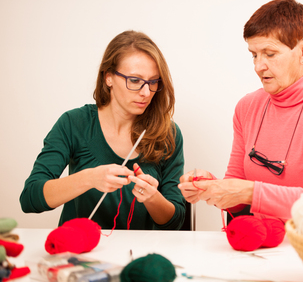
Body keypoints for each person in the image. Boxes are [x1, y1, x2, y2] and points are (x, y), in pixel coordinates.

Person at [178, 0, 303, 222]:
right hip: (257, 244)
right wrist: (212, 186)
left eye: (269, 54)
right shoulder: (246, 107)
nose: (258, 66)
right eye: (254, 54)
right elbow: (237, 195)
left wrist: (250, 191)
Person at [20, 30, 186, 230]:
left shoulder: (168, 134)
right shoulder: (74, 124)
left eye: (153, 82)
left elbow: (175, 221)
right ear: (108, 78)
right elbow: (30, 198)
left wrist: (153, 198)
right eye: (134, 80)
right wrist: (89, 178)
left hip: (138, 254)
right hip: (80, 252)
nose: (145, 92)